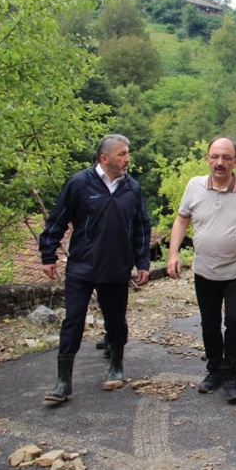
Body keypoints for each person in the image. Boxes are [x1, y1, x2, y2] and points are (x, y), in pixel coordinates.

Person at [40, 134, 151, 403]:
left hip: (116, 266)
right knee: (73, 319)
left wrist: (142, 262)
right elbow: (58, 218)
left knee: (115, 319)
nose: (127, 159)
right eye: (122, 154)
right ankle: (63, 381)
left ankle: (116, 365)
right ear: (104, 158)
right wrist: (48, 254)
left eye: (127, 153)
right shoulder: (79, 183)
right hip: (82, 265)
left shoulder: (132, 188)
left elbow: (141, 227)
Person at [166, 137, 236, 404]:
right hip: (204, 268)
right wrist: (173, 253)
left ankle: (230, 375)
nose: (219, 163)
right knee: (209, 322)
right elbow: (181, 219)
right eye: (214, 157)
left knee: (235, 320)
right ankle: (214, 371)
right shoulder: (194, 186)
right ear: (207, 158)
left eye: (225, 158)